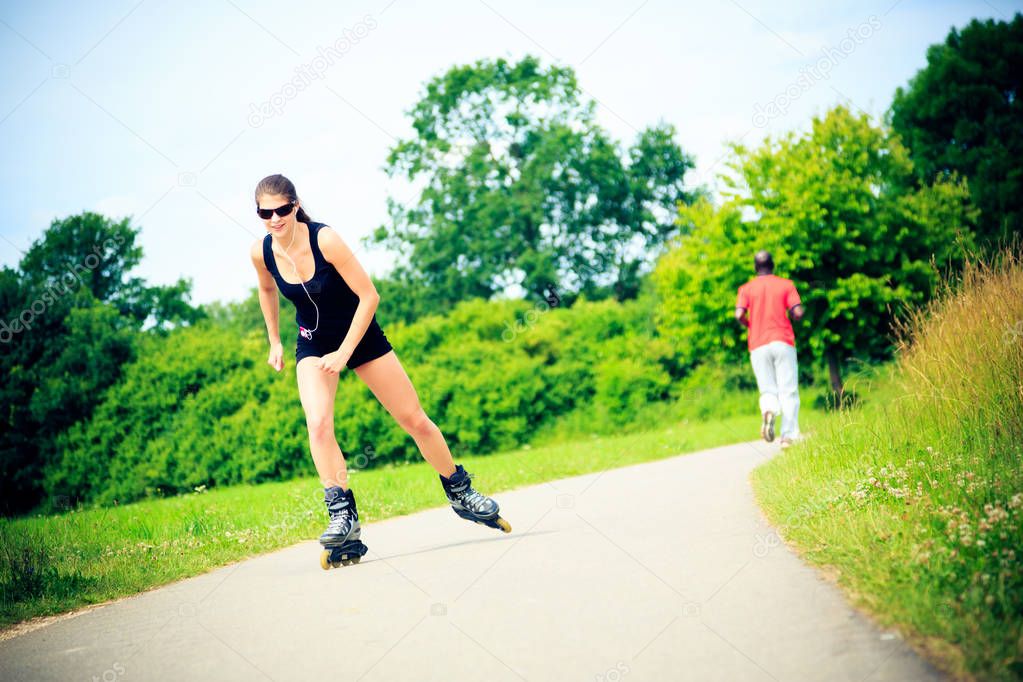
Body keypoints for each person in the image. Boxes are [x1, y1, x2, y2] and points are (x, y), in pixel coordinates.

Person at [249, 174, 509, 569]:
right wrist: (275, 340)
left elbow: (370, 296)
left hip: (361, 334)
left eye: (282, 210)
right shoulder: (261, 252)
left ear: (296, 206)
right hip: (314, 342)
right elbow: (267, 290)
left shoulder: (325, 240)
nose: (274, 219)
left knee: (414, 420)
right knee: (318, 425)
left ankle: (460, 491)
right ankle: (342, 516)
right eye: (265, 213)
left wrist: (346, 352)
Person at [734, 250, 805, 448]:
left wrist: (750, 324)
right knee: (788, 389)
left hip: (757, 343)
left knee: (767, 388)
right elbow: (797, 311)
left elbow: (739, 314)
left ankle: (769, 410)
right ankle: (788, 437)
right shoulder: (786, 284)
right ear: (772, 265)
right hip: (782, 340)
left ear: (756, 267)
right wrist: (795, 317)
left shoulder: (746, 288)